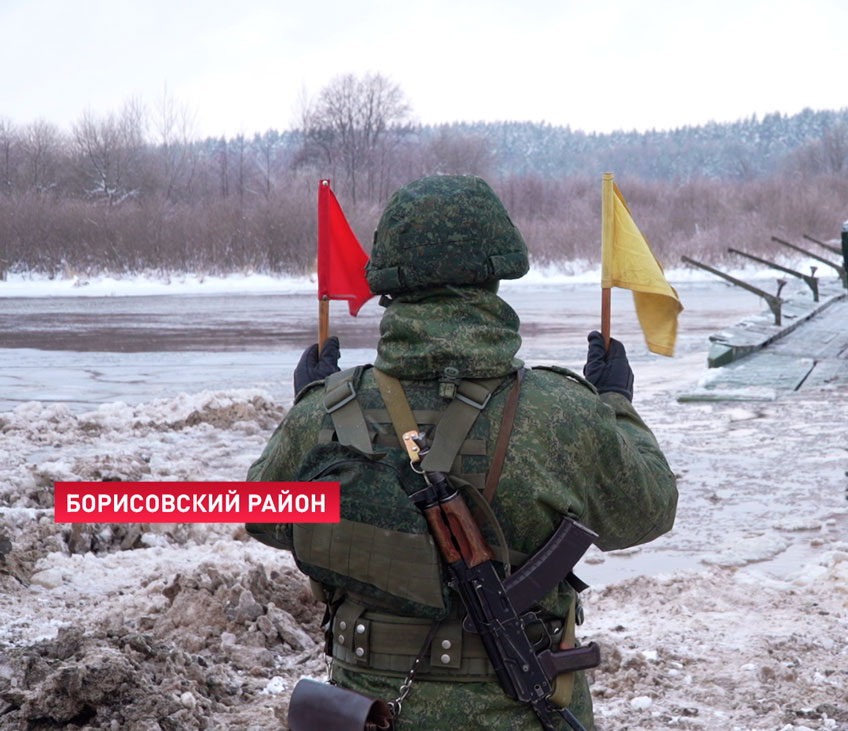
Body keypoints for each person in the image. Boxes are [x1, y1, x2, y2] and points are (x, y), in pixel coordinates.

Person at [246, 175, 678, 728]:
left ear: (387, 284)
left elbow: (264, 515)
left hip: (374, 713)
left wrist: (307, 404)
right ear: (498, 273)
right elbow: (647, 511)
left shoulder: (327, 412)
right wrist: (615, 401)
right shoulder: (564, 413)